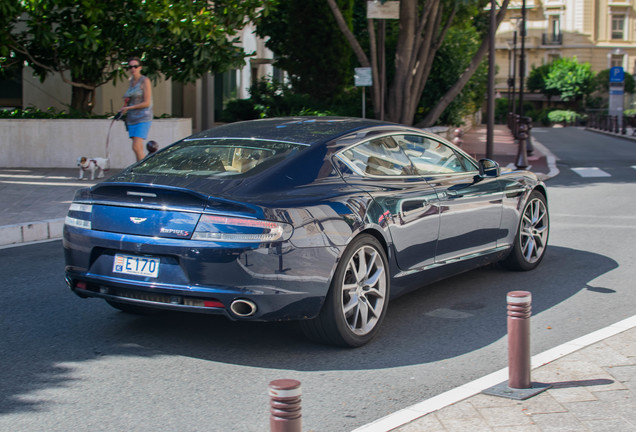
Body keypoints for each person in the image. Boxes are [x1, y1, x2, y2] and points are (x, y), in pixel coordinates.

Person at [121, 57, 152, 161]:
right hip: (131, 118)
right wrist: (126, 105)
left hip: (143, 117)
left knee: (136, 146)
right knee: (137, 148)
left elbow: (147, 102)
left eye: (135, 66)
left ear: (140, 67)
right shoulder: (131, 81)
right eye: (130, 67)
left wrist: (130, 107)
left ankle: (143, 170)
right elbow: (131, 98)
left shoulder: (145, 81)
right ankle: (140, 167)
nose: (133, 69)